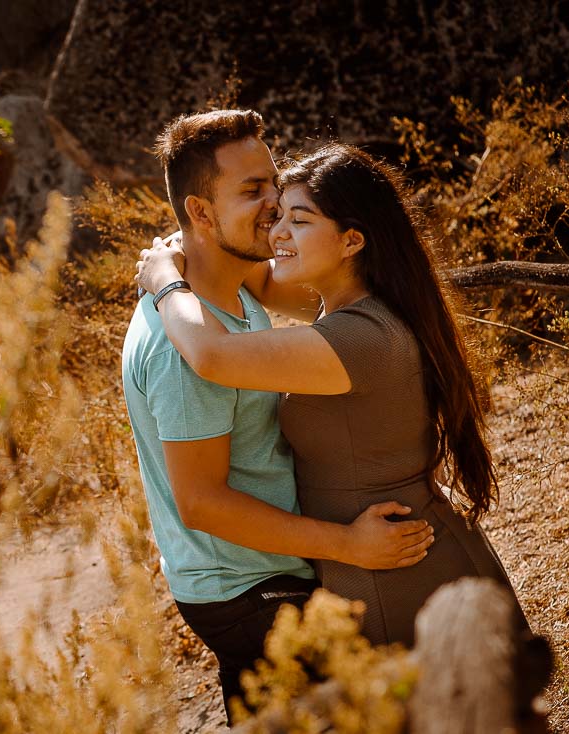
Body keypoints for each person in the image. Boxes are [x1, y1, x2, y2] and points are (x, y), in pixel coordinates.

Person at [136, 139, 529, 652]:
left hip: (399, 572)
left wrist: (164, 278)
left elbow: (210, 354)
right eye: (275, 214)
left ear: (351, 241)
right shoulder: (355, 303)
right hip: (386, 557)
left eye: (298, 221)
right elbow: (256, 267)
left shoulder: (357, 339)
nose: (278, 232)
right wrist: (197, 228)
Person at [120, 110, 434, 724]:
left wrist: (170, 269)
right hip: (250, 589)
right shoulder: (182, 350)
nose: (275, 203)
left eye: (274, 181)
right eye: (252, 190)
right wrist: (348, 544)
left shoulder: (229, 291)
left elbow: (309, 286)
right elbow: (203, 504)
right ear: (201, 215)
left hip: (262, 574)